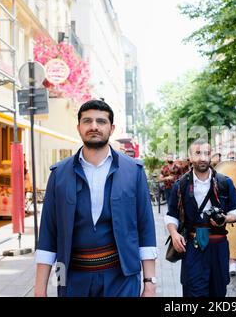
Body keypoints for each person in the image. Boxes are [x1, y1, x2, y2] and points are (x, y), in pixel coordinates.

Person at [35, 100, 157, 297]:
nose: (94, 126)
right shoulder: (59, 174)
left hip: (122, 276)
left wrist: (149, 283)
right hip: (69, 277)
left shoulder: (133, 171)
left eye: (101, 121)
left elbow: (145, 228)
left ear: (111, 128)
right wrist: (40, 289)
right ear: (79, 127)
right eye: (87, 121)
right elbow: (49, 233)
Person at [165, 138, 236, 297]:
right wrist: (174, 234)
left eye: (207, 153)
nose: (203, 158)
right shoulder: (181, 185)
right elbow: (171, 216)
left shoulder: (224, 183)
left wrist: (226, 218)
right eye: (198, 153)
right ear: (190, 157)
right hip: (193, 247)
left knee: (218, 291)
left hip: (218, 246)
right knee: (193, 291)